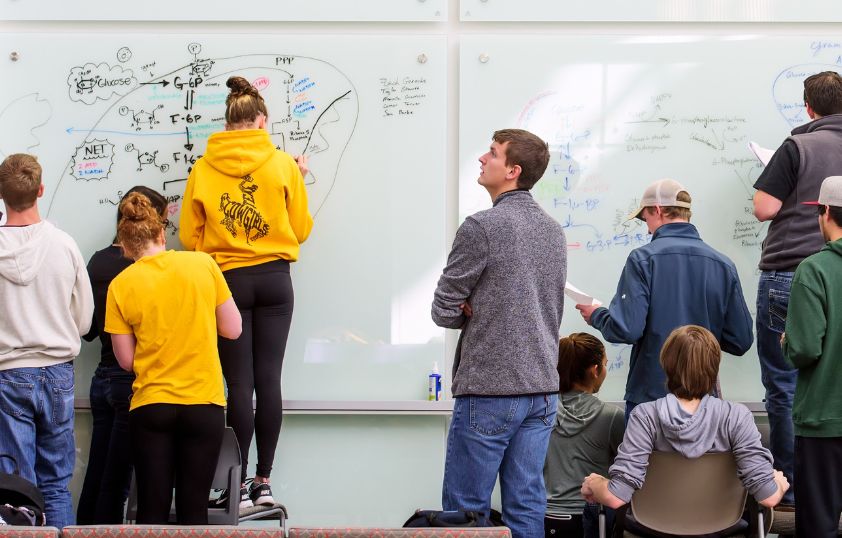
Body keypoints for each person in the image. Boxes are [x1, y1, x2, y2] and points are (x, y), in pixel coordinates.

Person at [179, 75, 313, 509]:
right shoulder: (282, 164)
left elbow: (187, 235)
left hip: (228, 282)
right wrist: (298, 177)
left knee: (238, 386)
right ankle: (264, 480)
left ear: (228, 121)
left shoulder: (203, 167)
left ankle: (235, 483)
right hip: (275, 280)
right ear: (262, 120)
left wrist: (222, 250)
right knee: (268, 381)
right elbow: (301, 230)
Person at [432, 128, 567, 538]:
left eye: (491, 153)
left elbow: (442, 309)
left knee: (466, 513)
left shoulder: (481, 227)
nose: (481, 159)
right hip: (541, 390)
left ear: (512, 170)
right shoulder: (553, 231)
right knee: (526, 506)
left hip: (491, 389)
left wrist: (472, 311)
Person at [106, 192, 241, 524]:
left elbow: (125, 360)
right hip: (203, 404)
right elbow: (233, 328)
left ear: (124, 245)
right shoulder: (202, 264)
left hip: (151, 405)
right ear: (161, 234)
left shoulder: (120, 285)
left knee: (152, 508)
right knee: (194, 509)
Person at [576, 178, 753, 420]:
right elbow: (740, 340)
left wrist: (596, 314)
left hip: (650, 399)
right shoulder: (723, 264)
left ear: (657, 210)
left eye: (645, 218)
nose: (647, 228)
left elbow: (626, 329)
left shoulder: (643, 259)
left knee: (645, 460)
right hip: (704, 402)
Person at [581, 325, 790, 530]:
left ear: (666, 365)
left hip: (653, 527)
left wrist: (596, 483)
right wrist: (779, 483)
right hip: (721, 527)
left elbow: (616, 496)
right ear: (714, 367)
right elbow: (769, 496)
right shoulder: (736, 417)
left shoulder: (645, 416)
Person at [752, 71, 842, 509]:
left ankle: (790, 488)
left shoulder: (797, 146)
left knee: (784, 385)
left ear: (809, 108)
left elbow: (764, 208)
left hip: (790, 271)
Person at [0, 153, 94, 528]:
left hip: (8, 374)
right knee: (55, 485)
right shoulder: (64, 244)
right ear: (40, 190)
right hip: (58, 373)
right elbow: (84, 319)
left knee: (17, 487)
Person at [76, 186, 168, 524]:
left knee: (99, 474)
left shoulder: (98, 261)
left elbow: (86, 329)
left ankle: (82, 530)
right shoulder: (143, 269)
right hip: (131, 379)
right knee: (118, 483)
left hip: (102, 379)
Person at [781, 175, 842, 537]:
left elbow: (804, 349)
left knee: (818, 526)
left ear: (824, 212)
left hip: (823, 423)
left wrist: (788, 341)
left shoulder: (814, 269)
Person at [544, 333, 624, 538]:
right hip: (593, 520)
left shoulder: (542, 412)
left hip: (543, 517)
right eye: (605, 364)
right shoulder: (612, 417)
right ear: (595, 370)